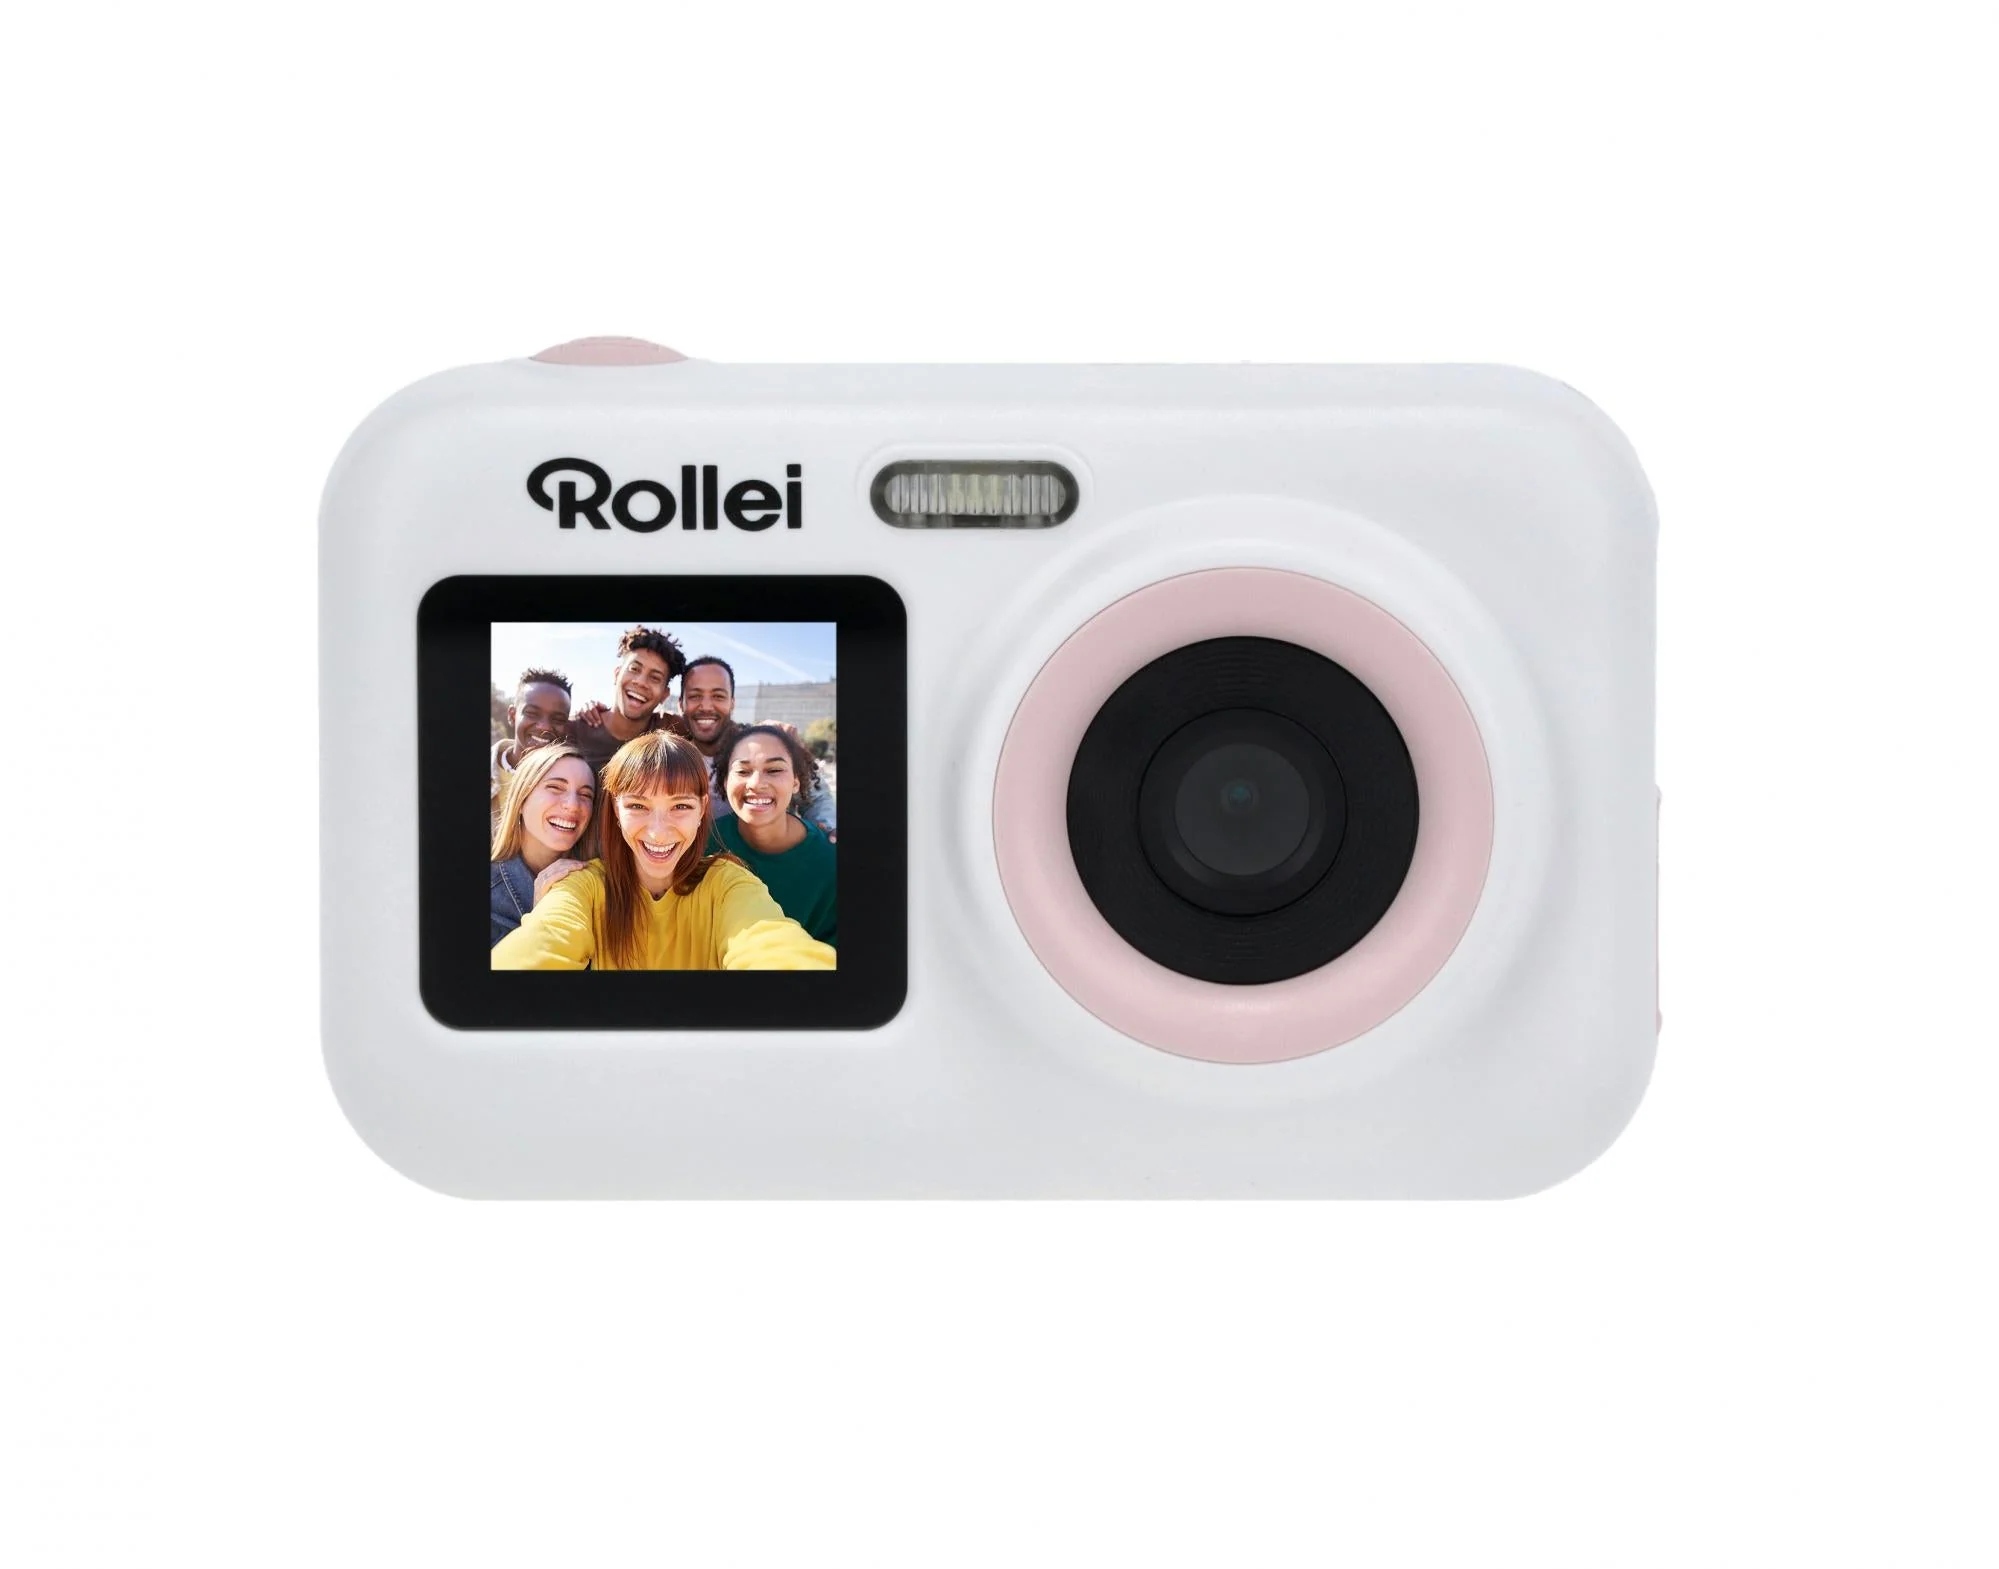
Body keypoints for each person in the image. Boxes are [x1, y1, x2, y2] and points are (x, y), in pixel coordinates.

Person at [493, 731, 835, 970]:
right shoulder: (584, 886)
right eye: (638, 806)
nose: (658, 830)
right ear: (615, 810)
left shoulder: (729, 884)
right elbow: (542, 943)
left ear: (703, 809)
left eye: (680, 806)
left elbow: (772, 946)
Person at [575, 651, 837, 836]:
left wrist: (828, 829)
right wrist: (596, 711)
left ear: (732, 703)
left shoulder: (760, 745)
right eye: (695, 696)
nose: (706, 706)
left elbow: (815, 795)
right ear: (681, 704)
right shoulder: (668, 748)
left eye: (718, 696)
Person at [713, 724, 837, 946]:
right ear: (725, 781)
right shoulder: (701, 845)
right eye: (743, 771)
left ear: (796, 782)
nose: (756, 783)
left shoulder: (830, 864)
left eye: (774, 770)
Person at [489, 744, 597, 945]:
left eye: (585, 795)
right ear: (522, 798)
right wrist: (541, 918)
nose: (573, 805)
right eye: (555, 788)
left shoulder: (600, 880)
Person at [565, 625, 687, 780]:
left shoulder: (671, 730)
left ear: (664, 694)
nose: (641, 682)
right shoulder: (573, 730)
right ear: (617, 674)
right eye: (634, 669)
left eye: (655, 678)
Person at [490, 667, 573, 824]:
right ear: (512, 715)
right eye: (532, 713)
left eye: (557, 719)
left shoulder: (574, 786)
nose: (544, 727)